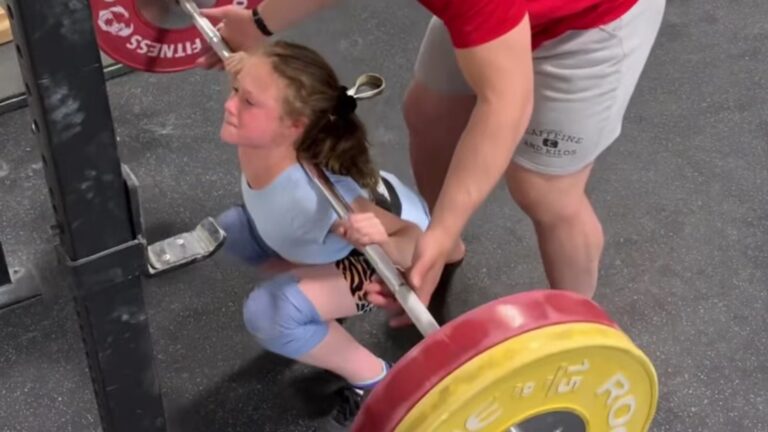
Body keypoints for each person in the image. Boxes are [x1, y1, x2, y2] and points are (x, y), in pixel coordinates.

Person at [198, 1, 666, 322]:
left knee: (543, 189)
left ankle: (579, 322)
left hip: (592, 20)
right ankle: (445, 250)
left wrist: (439, 229)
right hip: (498, 14)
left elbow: (506, 101)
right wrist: (256, 23)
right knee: (429, 113)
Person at [213, 41, 462, 430]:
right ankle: (314, 293)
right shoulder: (278, 129)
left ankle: (378, 381)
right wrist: (245, 67)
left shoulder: (321, 199)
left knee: (270, 314)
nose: (231, 105)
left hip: (387, 255)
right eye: (236, 92)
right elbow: (255, 80)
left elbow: (413, 244)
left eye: (247, 101)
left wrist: (381, 234)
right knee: (235, 229)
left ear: (294, 125)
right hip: (327, 236)